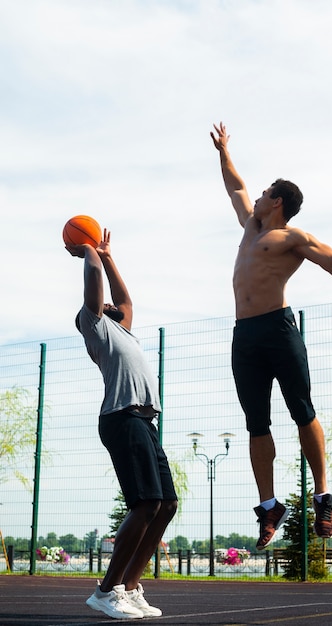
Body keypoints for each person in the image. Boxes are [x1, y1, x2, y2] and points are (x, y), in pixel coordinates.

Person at [210, 122, 332, 550]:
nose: (253, 197)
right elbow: (235, 187)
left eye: (262, 192)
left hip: (278, 328)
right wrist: (223, 151)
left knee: (301, 410)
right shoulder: (249, 228)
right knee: (256, 422)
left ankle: (322, 496)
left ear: (277, 201)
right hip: (245, 335)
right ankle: (269, 505)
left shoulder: (291, 237)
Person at [67, 229, 177, 620]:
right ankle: (105, 590)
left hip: (144, 421)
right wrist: (88, 252)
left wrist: (109, 256)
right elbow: (95, 285)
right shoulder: (93, 324)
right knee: (146, 502)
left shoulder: (124, 329)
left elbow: (126, 299)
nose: (114, 304)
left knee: (166, 505)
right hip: (121, 417)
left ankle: (129, 588)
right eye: (106, 304)